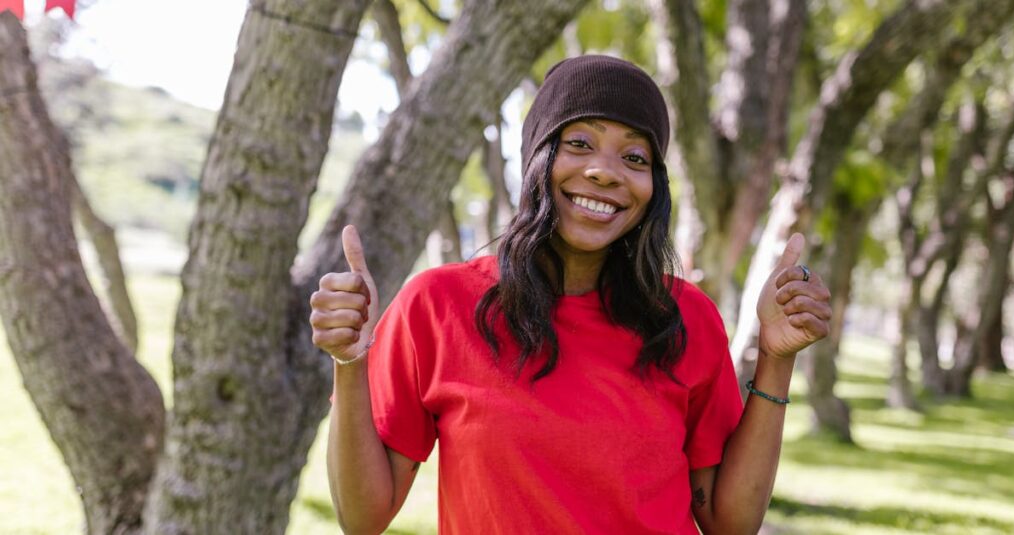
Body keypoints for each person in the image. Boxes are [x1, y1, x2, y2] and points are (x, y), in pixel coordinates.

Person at [310, 55, 832, 534]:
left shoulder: (685, 318)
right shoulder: (438, 305)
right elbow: (363, 517)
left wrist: (775, 358)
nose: (604, 171)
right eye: (579, 143)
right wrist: (350, 363)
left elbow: (728, 523)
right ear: (538, 157)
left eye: (634, 156)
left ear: (653, 187)